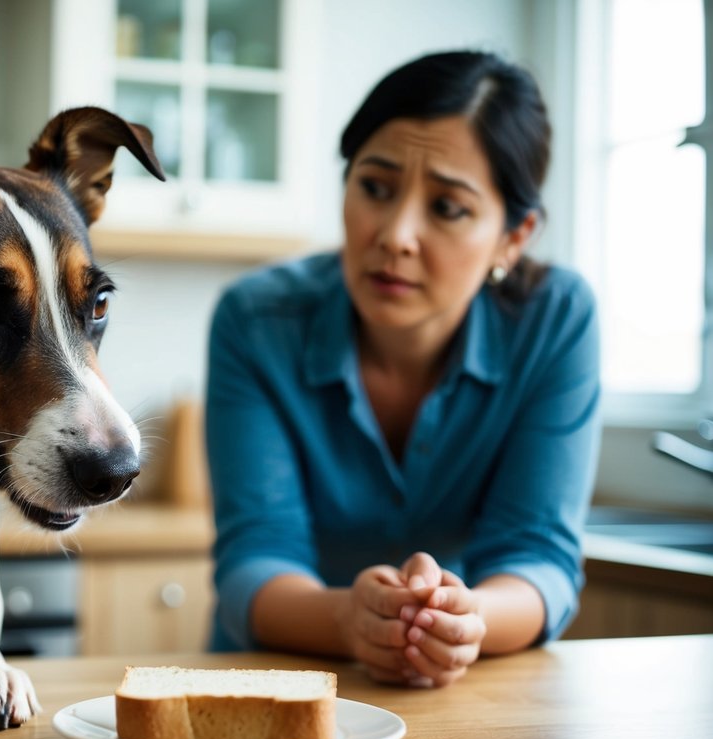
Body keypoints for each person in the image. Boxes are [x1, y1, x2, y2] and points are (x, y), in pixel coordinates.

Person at [205, 50, 600, 688]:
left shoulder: (556, 321)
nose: (395, 234)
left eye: (447, 208)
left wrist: (465, 618)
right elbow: (255, 560)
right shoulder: (255, 321)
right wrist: (348, 620)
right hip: (276, 682)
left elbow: (539, 559)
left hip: (467, 698)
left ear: (514, 236)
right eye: (376, 188)